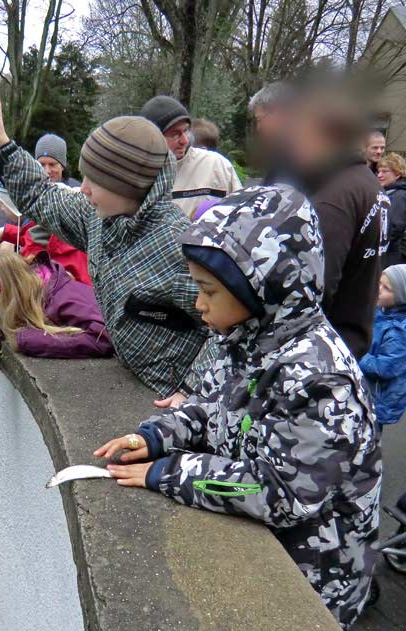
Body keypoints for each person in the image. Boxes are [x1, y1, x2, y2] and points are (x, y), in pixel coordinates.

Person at [95, 185, 381, 630]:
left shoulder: (321, 380)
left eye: (208, 289)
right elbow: (210, 409)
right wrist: (156, 436)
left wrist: (168, 473)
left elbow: (281, 495)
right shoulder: (242, 338)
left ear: (261, 286)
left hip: (314, 578)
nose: (197, 304)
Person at [0, 78, 208, 398]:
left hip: (174, 396)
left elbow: (231, 329)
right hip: (133, 379)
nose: (82, 189)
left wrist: (192, 389)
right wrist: (1, 141)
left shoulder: (177, 246)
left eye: (94, 180)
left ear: (127, 185)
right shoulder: (96, 218)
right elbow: (41, 195)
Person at [249, 79, 388, 359]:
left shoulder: (332, 199)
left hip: (314, 356)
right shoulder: (363, 181)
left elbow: (312, 292)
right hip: (345, 343)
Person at [0, 250, 112, 434]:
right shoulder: (16, 299)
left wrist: (28, 340)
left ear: (9, 293)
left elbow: (104, 336)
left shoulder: (64, 297)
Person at [139, 95, 242, 219]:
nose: (184, 140)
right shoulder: (138, 175)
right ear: (153, 138)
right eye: (175, 135)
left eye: (186, 131)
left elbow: (242, 215)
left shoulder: (216, 164)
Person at [360, 264, 406, 427]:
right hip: (370, 393)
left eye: (386, 288)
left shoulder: (399, 331)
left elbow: (385, 368)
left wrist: (358, 355)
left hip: (379, 400)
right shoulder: (383, 311)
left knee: (370, 436)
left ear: (401, 296)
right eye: (379, 283)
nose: (378, 289)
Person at [378, 153, 406, 266]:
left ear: (398, 174)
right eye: (378, 171)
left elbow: (393, 227)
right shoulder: (389, 193)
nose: (379, 175)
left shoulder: (399, 195)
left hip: (392, 256)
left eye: (385, 171)